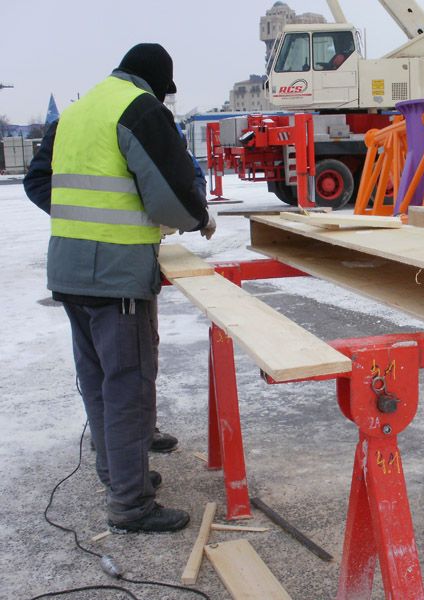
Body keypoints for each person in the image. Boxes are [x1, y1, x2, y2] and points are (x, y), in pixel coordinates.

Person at [24, 43, 215, 533]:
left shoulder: (78, 109)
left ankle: (117, 474)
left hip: (70, 270)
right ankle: (130, 504)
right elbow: (173, 195)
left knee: (99, 382)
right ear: (154, 81)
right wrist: (198, 217)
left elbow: (38, 180)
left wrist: (84, 223)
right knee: (128, 386)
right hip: (117, 279)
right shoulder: (140, 109)